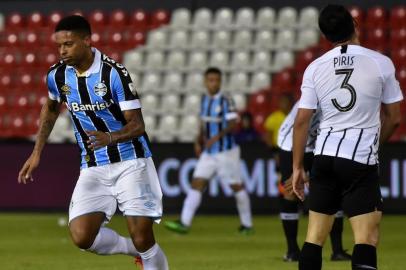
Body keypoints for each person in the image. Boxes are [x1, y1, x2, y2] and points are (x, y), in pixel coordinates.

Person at [17, 15, 169, 270]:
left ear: (87, 41)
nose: (62, 50)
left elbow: (138, 125)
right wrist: (36, 152)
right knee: (82, 236)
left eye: (68, 44)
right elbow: (52, 108)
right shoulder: (57, 76)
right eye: (59, 46)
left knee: (142, 235)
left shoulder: (113, 74)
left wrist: (110, 137)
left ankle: (143, 250)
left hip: (131, 161)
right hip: (93, 165)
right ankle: (137, 250)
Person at [292, 5, 402, 270]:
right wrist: (375, 145)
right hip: (359, 159)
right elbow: (394, 117)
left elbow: (302, 121)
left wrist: (297, 167)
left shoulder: (315, 67)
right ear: (355, 23)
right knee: (366, 238)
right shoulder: (380, 62)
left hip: (324, 157)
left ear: (325, 35)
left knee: (314, 237)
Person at [164, 67, 253, 234]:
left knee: (236, 186)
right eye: (210, 80)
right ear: (205, 82)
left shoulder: (226, 100)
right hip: (209, 152)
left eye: (216, 80)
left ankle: (247, 225)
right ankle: (184, 223)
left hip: (226, 151)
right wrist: (198, 140)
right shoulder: (204, 99)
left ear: (220, 81)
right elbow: (203, 123)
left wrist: (215, 137)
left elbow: (233, 124)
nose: (213, 83)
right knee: (197, 183)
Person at [277, 101, 351, 262]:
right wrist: (299, 166)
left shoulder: (341, 95)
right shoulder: (314, 97)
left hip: (318, 144)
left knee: (333, 191)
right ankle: (292, 251)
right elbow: (300, 126)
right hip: (292, 144)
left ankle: (337, 251)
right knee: (291, 192)